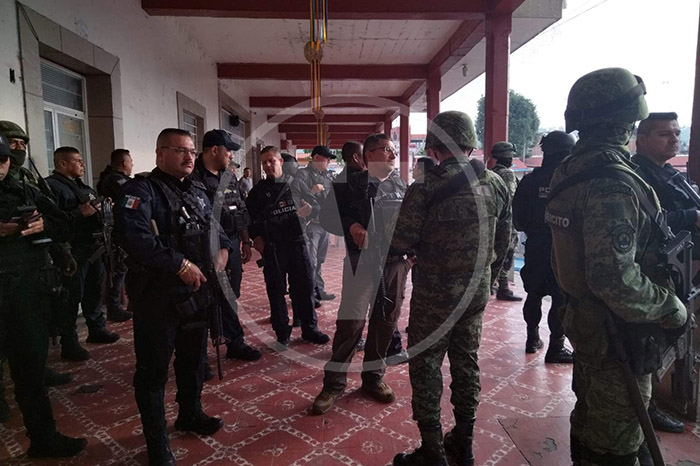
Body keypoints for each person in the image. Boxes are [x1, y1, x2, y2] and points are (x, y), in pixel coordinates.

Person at [546, 68, 687, 465]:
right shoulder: (612, 182)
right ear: (628, 118)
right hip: (617, 331)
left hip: (588, 320)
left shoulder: (572, 169)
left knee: (591, 417)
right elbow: (615, 279)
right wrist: (671, 308)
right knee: (616, 435)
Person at [392, 111, 512, 466]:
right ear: (471, 144)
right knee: (466, 361)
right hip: (476, 292)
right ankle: (464, 441)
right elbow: (505, 240)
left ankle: (432, 450)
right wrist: (487, 279)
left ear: (434, 147)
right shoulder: (496, 183)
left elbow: (400, 240)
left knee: (426, 364)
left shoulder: (424, 187)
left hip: (435, 296)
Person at [114, 128, 231, 465]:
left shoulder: (197, 189)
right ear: (160, 153)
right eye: (180, 150)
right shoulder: (140, 190)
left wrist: (224, 248)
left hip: (195, 293)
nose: (189, 157)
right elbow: (133, 237)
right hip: (158, 297)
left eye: (192, 151)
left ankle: (190, 414)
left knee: (193, 361)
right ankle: (157, 443)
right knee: (153, 372)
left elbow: (215, 225)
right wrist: (179, 265)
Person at [0, 134, 87, 458]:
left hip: (25, 293)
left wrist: (41, 226)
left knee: (30, 371)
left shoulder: (24, 190)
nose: (0, 167)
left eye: (3, 160)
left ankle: (43, 438)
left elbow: (63, 224)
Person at [312, 133, 410, 415]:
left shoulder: (399, 184)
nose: (393, 154)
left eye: (394, 149)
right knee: (351, 324)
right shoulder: (348, 184)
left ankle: (373, 378)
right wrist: (351, 225)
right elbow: (326, 217)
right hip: (362, 265)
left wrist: (410, 259)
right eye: (386, 149)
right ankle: (333, 384)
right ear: (369, 155)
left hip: (394, 265)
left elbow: (413, 223)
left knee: (385, 322)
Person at [631, 112, 689, 434]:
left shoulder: (667, 173)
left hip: (678, 269)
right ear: (642, 140)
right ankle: (647, 406)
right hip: (653, 272)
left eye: (676, 133)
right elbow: (653, 221)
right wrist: (691, 216)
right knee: (650, 343)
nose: (674, 139)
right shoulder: (637, 176)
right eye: (665, 134)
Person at [246, 146, 330, 347]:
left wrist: (310, 209)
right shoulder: (258, 192)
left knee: (305, 287)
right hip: (273, 248)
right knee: (276, 291)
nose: (268, 165)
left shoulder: (297, 184)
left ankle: (310, 329)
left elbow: (316, 206)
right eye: (264, 162)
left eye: (271, 161)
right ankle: (282, 332)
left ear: (280, 162)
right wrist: (256, 238)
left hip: (298, 243)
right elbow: (248, 218)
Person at [189, 129, 261, 361]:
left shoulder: (229, 177)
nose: (231, 155)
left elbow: (240, 209)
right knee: (203, 300)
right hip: (203, 248)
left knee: (230, 294)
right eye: (228, 150)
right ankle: (199, 356)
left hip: (231, 242)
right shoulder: (192, 179)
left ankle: (232, 342)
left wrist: (245, 240)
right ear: (214, 150)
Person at [47, 147, 120, 362]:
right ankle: (69, 342)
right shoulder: (52, 187)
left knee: (94, 291)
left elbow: (94, 208)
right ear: (63, 164)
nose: (82, 164)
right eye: (77, 161)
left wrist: (105, 207)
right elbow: (52, 222)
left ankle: (96, 329)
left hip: (94, 248)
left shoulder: (83, 187)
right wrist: (80, 213)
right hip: (73, 250)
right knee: (71, 297)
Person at [512, 131, 575, 363]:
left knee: (534, 293)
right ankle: (556, 347)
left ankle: (532, 339)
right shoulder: (572, 181)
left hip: (536, 246)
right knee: (560, 299)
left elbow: (518, 220)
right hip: (563, 249)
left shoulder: (529, 181)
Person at [96, 148, 134, 323]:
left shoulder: (111, 178)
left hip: (120, 229)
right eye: (131, 162)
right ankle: (114, 307)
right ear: (124, 163)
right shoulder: (115, 180)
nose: (132, 165)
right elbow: (128, 200)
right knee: (118, 269)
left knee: (122, 269)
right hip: (116, 231)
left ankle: (121, 304)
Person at [295, 145, 337, 302]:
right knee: (310, 261)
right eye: (327, 159)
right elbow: (296, 197)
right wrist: (312, 191)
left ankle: (318, 290)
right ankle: (308, 294)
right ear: (317, 158)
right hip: (311, 224)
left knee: (319, 260)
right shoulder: (302, 175)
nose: (329, 162)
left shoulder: (328, 176)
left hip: (325, 223)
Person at [489, 141, 522, 302]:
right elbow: (511, 197)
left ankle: (491, 284)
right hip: (507, 221)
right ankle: (503, 287)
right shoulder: (507, 174)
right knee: (507, 254)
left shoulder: (490, 174)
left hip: (493, 220)